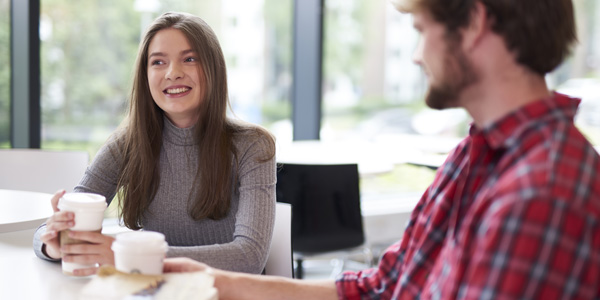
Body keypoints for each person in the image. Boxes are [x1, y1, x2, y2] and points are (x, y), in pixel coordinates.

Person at [163, 0, 600, 299]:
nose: (415, 55)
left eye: (420, 30)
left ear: (472, 25)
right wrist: (219, 284)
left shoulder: (543, 190)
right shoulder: (471, 159)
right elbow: (385, 288)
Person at [33, 12, 276, 277]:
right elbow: (43, 235)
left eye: (189, 59)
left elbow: (249, 257)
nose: (173, 73)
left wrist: (128, 254)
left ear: (213, 68)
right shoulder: (127, 144)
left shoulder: (252, 146)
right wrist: (57, 243)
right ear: (145, 75)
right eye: (158, 62)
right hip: (154, 291)